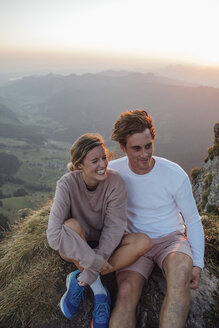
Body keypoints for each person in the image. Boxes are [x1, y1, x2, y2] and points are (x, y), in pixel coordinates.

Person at [107, 110, 205, 328]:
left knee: (181, 274)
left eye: (148, 145)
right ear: (123, 148)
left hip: (171, 240)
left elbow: (193, 220)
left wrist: (197, 263)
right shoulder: (113, 171)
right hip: (135, 243)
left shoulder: (174, 174)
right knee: (125, 294)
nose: (145, 154)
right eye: (136, 148)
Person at [46, 133, 151, 328]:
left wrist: (98, 258)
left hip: (107, 244)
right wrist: (93, 260)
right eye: (95, 161)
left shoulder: (115, 182)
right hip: (79, 242)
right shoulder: (66, 184)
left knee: (143, 242)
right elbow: (53, 236)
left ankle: (81, 278)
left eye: (104, 157)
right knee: (70, 227)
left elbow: (115, 227)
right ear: (79, 166)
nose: (103, 164)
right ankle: (100, 294)